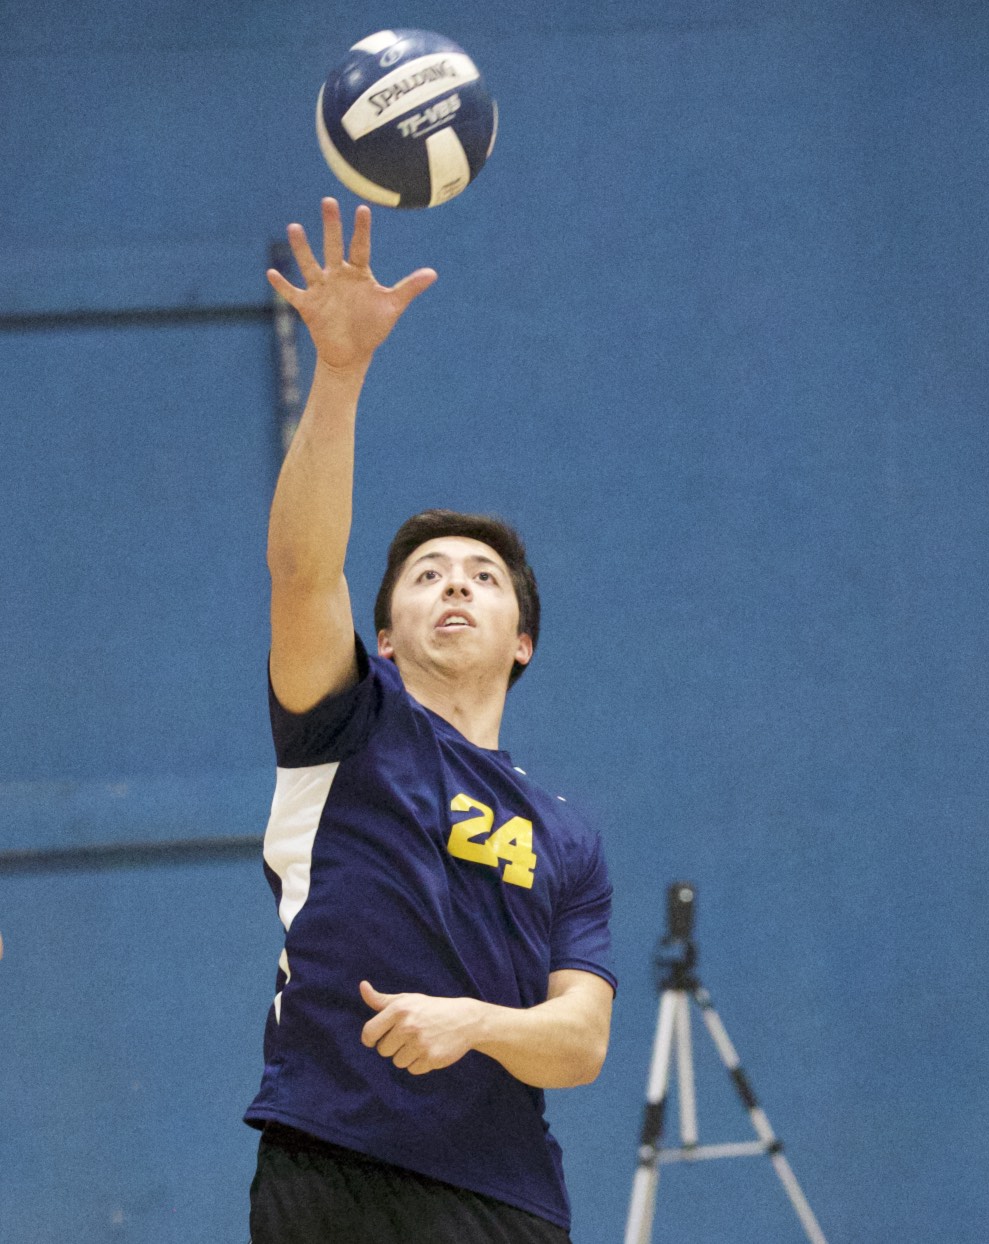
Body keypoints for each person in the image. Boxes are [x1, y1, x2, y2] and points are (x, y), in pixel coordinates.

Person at [244, 198, 616, 1244]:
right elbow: (301, 569)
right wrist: (341, 370)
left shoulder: (565, 837)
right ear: (385, 636)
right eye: (426, 575)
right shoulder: (345, 725)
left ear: (521, 640)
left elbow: (580, 1041)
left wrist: (473, 1025)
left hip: (503, 1197)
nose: (455, 584)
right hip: (331, 1166)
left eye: (483, 577)